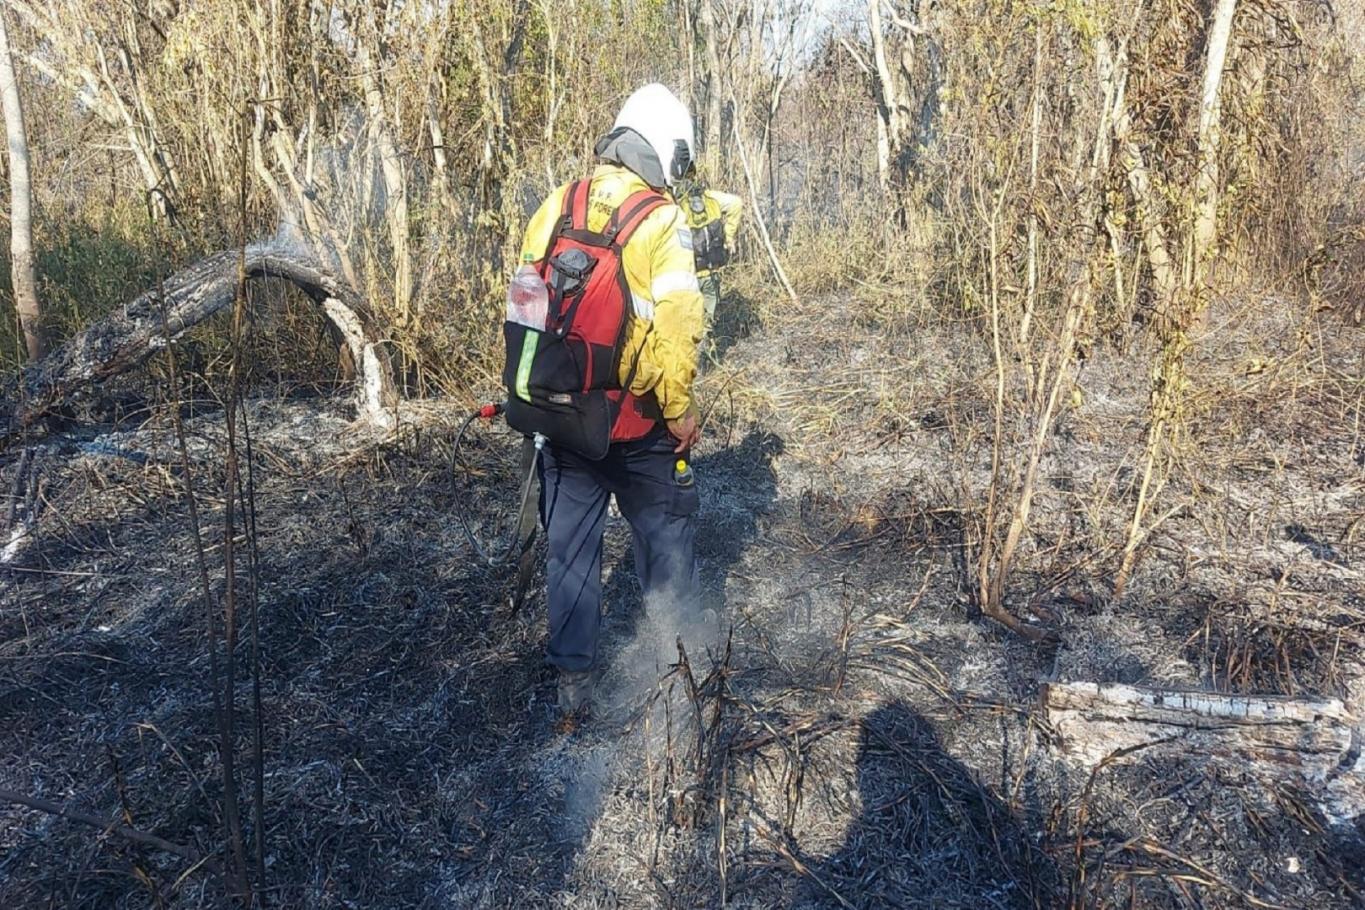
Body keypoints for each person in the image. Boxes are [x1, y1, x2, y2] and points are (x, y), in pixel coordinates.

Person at [517, 83, 705, 718]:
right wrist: (677, 408)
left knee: (570, 553)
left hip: (562, 418)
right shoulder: (661, 220)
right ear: (663, 150)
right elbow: (677, 324)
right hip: (637, 424)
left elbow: (521, 303)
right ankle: (678, 661)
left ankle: (572, 690)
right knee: (664, 534)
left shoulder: (556, 203)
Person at [673, 167, 742, 356]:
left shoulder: (672, 204)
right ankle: (704, 355)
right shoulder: (712, 199)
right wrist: (729, 238)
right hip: (711, 272)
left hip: (686, 276)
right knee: (707, 320)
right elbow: (736, 203)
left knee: (685, 319)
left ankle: (691, 357)